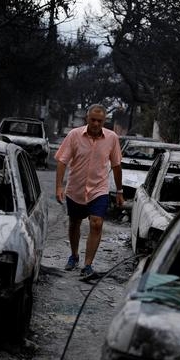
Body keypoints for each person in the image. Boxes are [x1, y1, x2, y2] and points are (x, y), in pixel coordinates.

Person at [54, 104, 124, 279]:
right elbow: (62, 161)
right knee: (74, 223)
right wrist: (59, 187)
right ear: (87, 118)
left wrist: (120, 191)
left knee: (96, 223)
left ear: (104, 121)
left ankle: (88, 265)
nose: (96, 123)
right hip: (76, 189)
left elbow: (116, 165)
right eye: (93, 119)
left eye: (99, 121)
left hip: (99, 189)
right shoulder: (74, 135)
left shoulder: (112, 138)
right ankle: (74, 255)